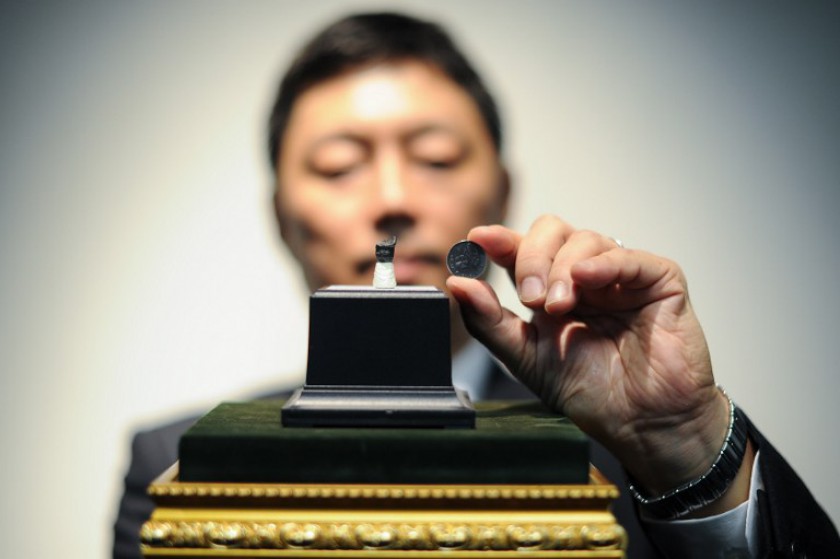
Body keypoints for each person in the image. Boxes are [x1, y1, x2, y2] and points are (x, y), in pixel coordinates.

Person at [113, 12, 838, 559]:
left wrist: (683, 442)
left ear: (501, 192)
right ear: (281, 218)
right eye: (338, 165)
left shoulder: (623, 452)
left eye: (435, 157)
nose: (393, 195)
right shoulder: (178, 464)